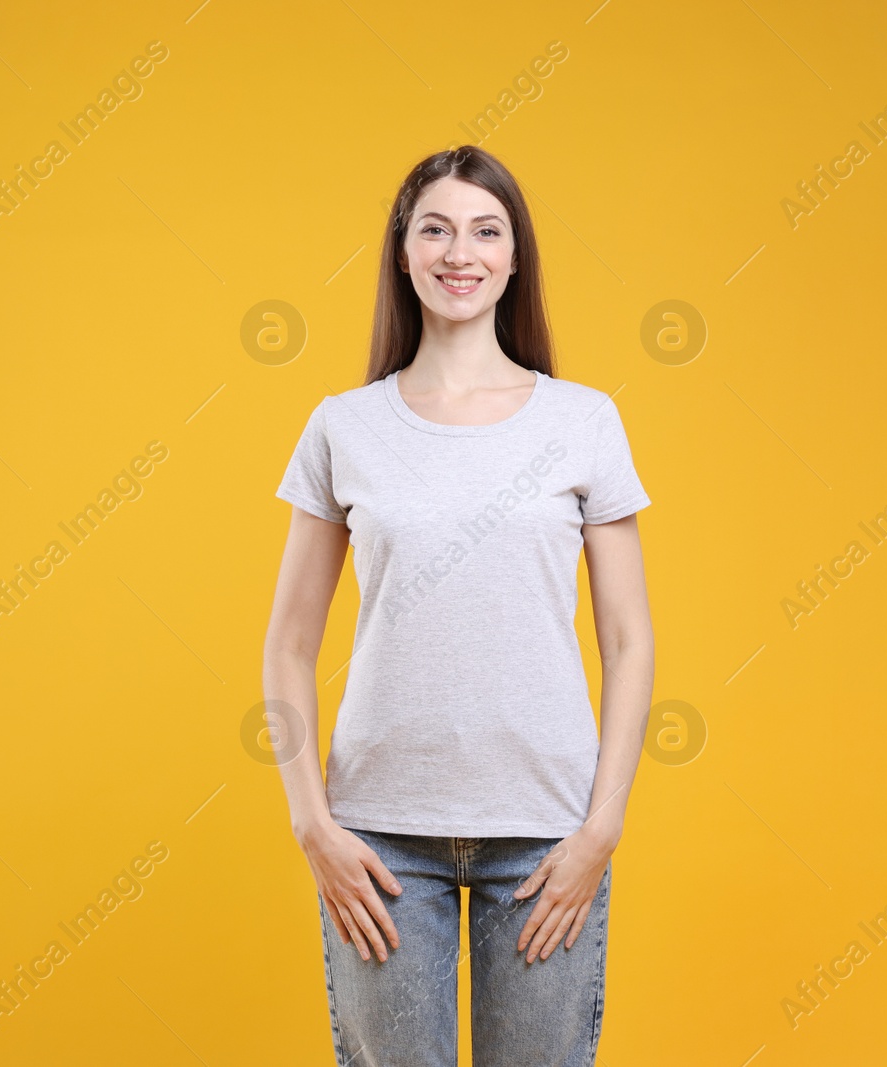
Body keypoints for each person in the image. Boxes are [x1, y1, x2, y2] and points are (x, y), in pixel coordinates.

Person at [263, 144, 655, 1066]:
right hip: (381, 842)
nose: (459, 251)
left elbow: (629, 639)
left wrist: (602, 826)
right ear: (403, 251)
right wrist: (311, 821)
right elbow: (287, 643)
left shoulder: (583, 420)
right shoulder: (344, 425)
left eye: (487, 230)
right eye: (434, 228)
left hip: (548, 836)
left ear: (515, 259)